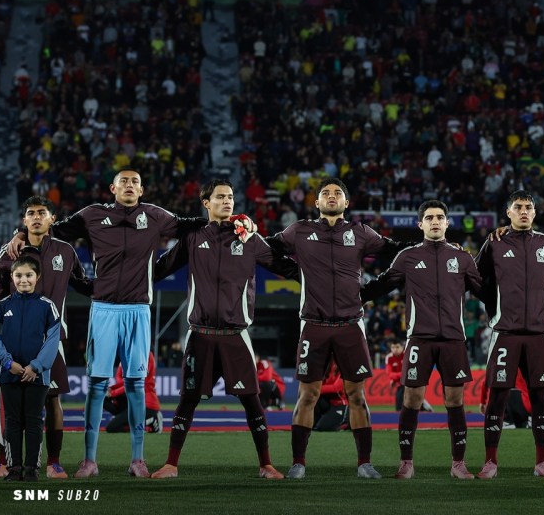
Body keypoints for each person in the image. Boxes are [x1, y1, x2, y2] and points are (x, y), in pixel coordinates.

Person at [5, 168, 210, 479]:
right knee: (98, 384)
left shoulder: (155, 216)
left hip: (139, 309)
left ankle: (138, 460)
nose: (129, 185)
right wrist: (21, 233)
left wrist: (232, 221)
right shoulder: (91, 215)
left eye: (136, 181)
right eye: (124, 181)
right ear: (112, 188)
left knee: (136, 385)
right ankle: (89, 460)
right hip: (102, 309)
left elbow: (190, 225)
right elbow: (52, 228)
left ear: (142, 190)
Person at [150, 179, 296, 480]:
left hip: (236, 336)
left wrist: (322, 277)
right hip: (200, 334)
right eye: (220, 197)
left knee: (252, 401)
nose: (227, 202)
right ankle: (171, 464)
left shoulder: (248, 239)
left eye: (230, 197)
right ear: (206, 203)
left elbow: (286, 267)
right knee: (187, 399)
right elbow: (159, 269)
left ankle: (266, 464)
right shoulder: (192, 238)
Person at [267, 177, 398, 480]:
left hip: (351, 325)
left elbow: (393, 249)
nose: (331, 196)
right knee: (307, 396)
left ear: (346, 203)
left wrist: (430, 244)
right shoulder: (299, 230)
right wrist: (293, 271)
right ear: (316, 202)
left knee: (356, 396)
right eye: (325, 193)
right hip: (314, 324)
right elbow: (267, 248)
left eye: (337, 193)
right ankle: (298, 462)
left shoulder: (361, 232)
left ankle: (364, 463)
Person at [361, 198, 483, 480]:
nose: (435, 221)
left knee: (454, 399)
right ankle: (406, 462)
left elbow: (483, 291)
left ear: (448, 222)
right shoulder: (408, 257)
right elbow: (382, 283)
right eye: (429, 218)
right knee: (412, 398)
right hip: (419, 339)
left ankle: (458, 464)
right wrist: (354, 297)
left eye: (440, 217)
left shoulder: (462, 257)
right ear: (420, 224)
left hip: (453, 338)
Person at [0, 194, 92, 479]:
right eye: (30, 212)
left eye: (42, 212)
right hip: (12, 340)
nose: (36, 217)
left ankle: (53, 462)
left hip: (51, 341)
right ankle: (3, 461)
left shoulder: (66, 251)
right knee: (7, 402)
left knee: (52, 400)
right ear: (24, 220)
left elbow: (83, 283)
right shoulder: (9, 251)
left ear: (52, 219)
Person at [474, 190, 544, 479]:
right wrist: (495, 308)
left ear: (535, 212)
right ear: (509, 213)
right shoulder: (494, 243)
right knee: (498, 398)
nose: (524, 211)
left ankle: (542, 462)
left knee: (540, 398)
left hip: (539, 334)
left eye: (529, 207)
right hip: (505, 332)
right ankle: (490, 462)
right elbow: (476, 279)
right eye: (518, 207)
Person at [0, 254, 61, 482]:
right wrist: (8, 363)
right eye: (18, 275)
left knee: (34, 421)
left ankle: (31, 469)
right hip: (9, 373)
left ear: (37, 277)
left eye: (29, 275)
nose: (23, 280)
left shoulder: (47, 306)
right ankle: (14, 468)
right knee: (13, 422)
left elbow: (53, 340)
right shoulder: (2, 306)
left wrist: (36, 366)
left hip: (36, 376)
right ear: (12, 277)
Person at [105, 354, 162, 434]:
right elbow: (122, 378)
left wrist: (113, 393)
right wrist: (111, 389)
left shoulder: (145, 355)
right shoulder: (130, 354)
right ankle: (128, 420)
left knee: (112, 428)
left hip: (146, 404)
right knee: (104, 399)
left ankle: (151, 419)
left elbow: (136, 383)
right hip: (134, 400)